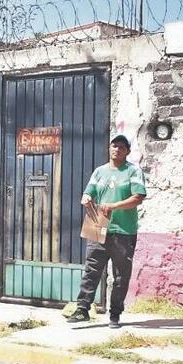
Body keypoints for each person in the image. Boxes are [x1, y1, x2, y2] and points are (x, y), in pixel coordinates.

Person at [67, 133, 147, 329]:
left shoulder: (133, 171)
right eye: (114, 146)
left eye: (121, 147)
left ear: (127, 151)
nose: (116, 149)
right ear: (109, 148)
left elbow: (138, 197)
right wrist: (85, 198)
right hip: (99, 227)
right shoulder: (99, 171)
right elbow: (89, 192)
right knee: (92, 269)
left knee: (120, 275)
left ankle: (115, 314)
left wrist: (114, 206)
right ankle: (82, 309)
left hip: (123, 231)